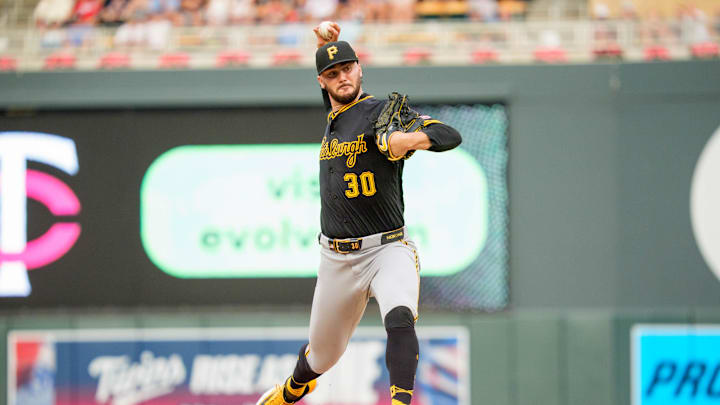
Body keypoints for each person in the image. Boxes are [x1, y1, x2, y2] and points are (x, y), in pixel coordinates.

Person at [256, 21, 462, 405]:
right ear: (322, 82)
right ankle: (295, 387)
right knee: (322, 357)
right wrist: (326, 46)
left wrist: (406, 139)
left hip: (387, 248)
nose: (342, 77)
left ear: (360, 68)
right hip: (335, 257)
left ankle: (400, 401)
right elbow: (341, 106)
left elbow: (450, 135)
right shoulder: (336, 115)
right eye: (332, 74)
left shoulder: (380, 112)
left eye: (347, 68)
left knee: (399, 317)